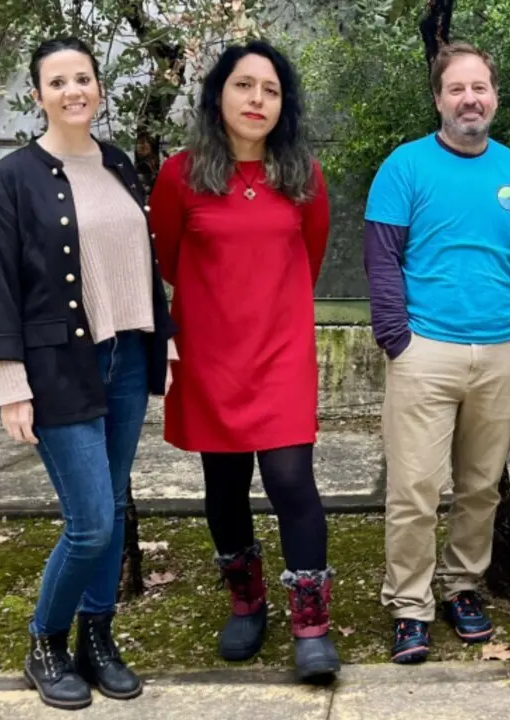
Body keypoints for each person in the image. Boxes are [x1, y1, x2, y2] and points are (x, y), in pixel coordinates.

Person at [0, 37, 177, 710]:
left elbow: (141, 269)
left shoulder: (118, 164)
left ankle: (98, 637)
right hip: (59, 365)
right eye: (57, 82)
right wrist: (10, 383)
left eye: (83, 78)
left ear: (98, 87)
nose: (73, 91)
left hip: (126, 358)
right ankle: (45, 643)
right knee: (89, 521)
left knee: (115, 506)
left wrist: (164, 343)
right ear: (38, 95)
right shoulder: (12, 177)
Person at [148, 40, 339, 681]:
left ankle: (311, 622)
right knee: (224, 485)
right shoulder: (180, 175)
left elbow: (306, 262)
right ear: (218, 95)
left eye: (271, 90)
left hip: (282, 354)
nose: (257, 99)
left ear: (284, 106)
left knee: (291, 482)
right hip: (211, 358)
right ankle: (246, 601)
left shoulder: (302, 175)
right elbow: (170, 260)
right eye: (243, 85)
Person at [363, 41, 510, 664]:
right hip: (426, 351)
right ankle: (410, 605)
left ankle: (461, 586)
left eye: (480, 88)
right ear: (438, 98)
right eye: (456, 89)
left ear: (494, 96)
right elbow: (382, 259)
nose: (469, 99)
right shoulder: (405, 167)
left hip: (505, 353)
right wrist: (397, 337)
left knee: (479, 487)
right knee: (415, 488)